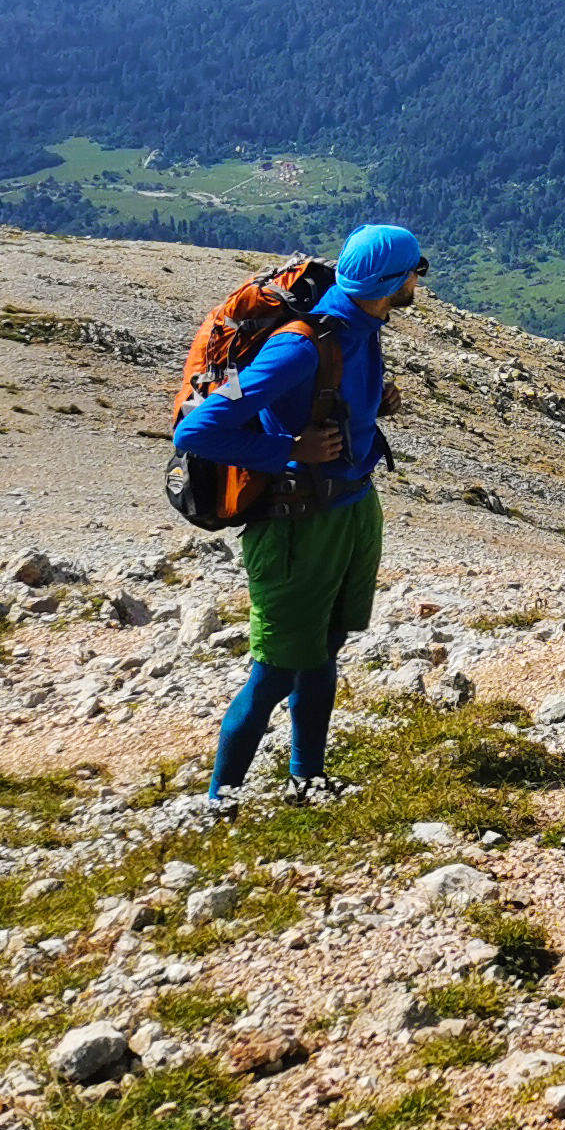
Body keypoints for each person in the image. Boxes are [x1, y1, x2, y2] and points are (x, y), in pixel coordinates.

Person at [177, 221, 422, 801]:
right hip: (297, 525)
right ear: (393, 281)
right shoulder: (297, 346)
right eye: (418, 269)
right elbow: (198, 430)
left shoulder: (362, 323)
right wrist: (289, 452)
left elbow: (324, 402)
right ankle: (220, 802)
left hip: (351, 507)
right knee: (276, 671)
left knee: (325, 648)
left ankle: (306, 779)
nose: (420, 279)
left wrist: (369, 405)